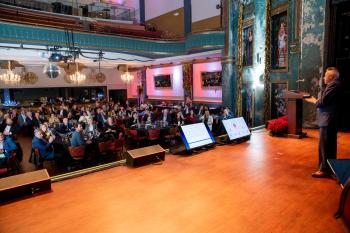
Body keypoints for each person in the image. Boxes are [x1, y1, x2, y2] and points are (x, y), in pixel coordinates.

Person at [305, 67, 343, 178]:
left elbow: (324, 101)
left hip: (327, 120)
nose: (324, 77)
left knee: (325, 146)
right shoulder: (334, 85)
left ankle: (324, 170)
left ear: (331, 77)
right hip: (329, 120)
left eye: (326, 75)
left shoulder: (334, 85)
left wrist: (314, 100)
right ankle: (330, 168)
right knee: (329, 146)